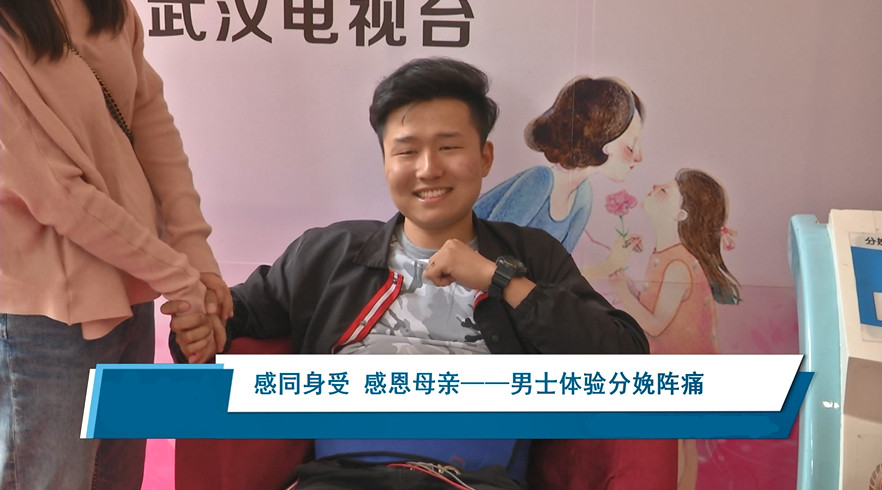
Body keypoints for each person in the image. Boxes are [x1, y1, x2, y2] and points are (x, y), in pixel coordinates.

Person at [165, 57, 648, 489]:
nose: (428, 169)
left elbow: (624, 355)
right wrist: (202, 327)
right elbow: (234, 315)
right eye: (407, 151)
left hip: (472, 480)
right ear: (385, 162)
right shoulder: (330, 253)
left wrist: (499, 280)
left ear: (485, 158)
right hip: (339, 480)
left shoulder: (531, 254)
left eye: (449, 147)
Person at [0, 0, 232, 488]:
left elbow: (149, 120)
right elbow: (58, 193)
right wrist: (181, 279)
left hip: (131, 295)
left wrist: (196, 255)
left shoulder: (111, 8)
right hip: (43, 321)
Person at [606, 168, 740, 490]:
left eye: (664, 191)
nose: (654, 187)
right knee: (682, 441)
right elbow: (656, 310)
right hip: (679, 368)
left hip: (680, 370)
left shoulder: (679, 264)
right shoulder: (669, 256)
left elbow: (654, 324)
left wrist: (624, 293)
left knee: (674, 442)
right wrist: (631, 288)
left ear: (681, 214)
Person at [473, 76, 644, 257]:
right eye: (631, 147)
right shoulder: (540, 180)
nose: (639, 158)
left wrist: (612, 262)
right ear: (603, 139)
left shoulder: (583, 196)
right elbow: (487, 254)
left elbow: (560, 267)